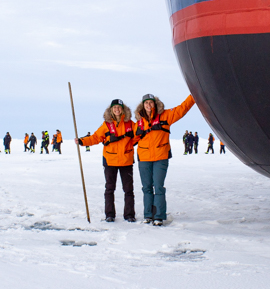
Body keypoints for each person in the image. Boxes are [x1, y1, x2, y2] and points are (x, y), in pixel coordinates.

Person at [134, 93, 195, 225]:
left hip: (161, 157)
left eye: (151, 103)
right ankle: (148, 215)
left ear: (155, 104)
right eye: (146, 103)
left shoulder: (166, 115)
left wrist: (194, 95)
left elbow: (182, 109)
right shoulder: (138, 123)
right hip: (144, 159)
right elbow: (129, 140)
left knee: (159, 186)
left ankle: (159, 216)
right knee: (147, 187)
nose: (149, 105)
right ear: (142, 106)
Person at [76, 99, 137, 223]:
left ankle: (129, 215)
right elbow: (95, 137)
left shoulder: (131, 124)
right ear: (111, 110)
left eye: (119, 107)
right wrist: (82, 141)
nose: (117, 109)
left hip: (126, 161)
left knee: (128, 190)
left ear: (123, 109)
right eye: (114, 107)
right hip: (110, 160)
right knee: (109, 189)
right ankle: (109, 214)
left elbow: (139, 137)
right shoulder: (106, 125)